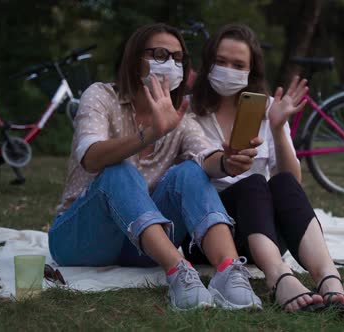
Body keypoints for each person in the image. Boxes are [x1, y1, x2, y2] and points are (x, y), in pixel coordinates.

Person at [48, 23, 264, 311]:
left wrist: (227, 162)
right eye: (160, 54)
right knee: (118, 170)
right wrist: (148, 134)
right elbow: (91, 156)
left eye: (177, 59)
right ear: (136, 57)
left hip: (140, 245)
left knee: (190, 171)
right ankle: (179, 271)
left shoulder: (179, 119)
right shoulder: (100, 96)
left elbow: (204, 156)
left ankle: (229, 272)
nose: (170, 64)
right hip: (81, 239)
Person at [187, 23, 344, 318]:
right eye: (221, 62)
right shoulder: (188, 111)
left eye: (238, 64)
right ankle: (278, 277)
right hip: (210, 235)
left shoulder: (268, 109)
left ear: (250, 71)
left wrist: (278, 128)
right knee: (254, 182)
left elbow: (292, 183)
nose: (228, 70)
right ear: (208, 64)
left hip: (261, 233)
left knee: (281, 182)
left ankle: (328, 277)